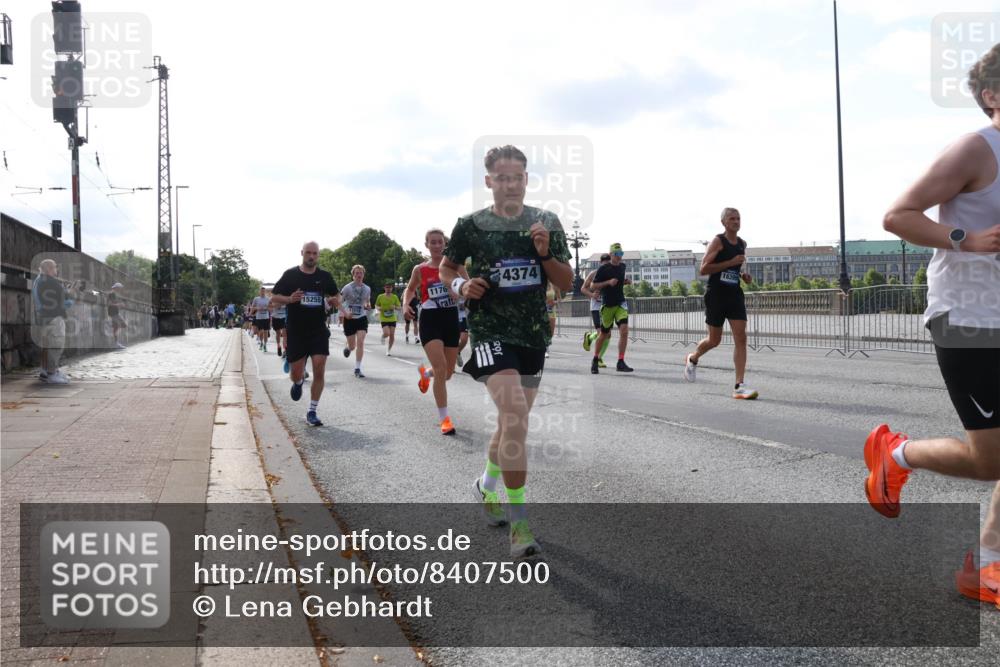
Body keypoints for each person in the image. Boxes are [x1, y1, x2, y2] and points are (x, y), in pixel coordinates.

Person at [866, 44, 1000, 606]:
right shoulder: (976, 149)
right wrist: (964, 238)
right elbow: (898, 214)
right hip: (969, 319)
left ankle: (988, 565)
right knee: (992, 459)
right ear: (993, 96)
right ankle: (894, 454)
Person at [440, 144, 573, 558]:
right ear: (489, 181)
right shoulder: (471, 225)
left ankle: (486, 484)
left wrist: (544, 253)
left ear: (526, 180)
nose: (510, 184)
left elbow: (566, 283)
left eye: (517, 177)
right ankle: (520, 525)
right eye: (502, 177)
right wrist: (461, 286)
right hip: (489, 330)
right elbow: (447, 268)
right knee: (514, 414)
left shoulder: (546, 222)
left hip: (532, 334)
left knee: (511, 423)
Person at [682, 208, 757, 399]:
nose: (736, 221)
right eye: (732, 218)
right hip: (716, 294)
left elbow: (734, 270)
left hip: (734, 294)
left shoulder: (742, 243)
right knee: (714, 340)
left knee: (741, 337)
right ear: (723, 222)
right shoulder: (718, 241)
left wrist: (743, 276)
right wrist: (731, 261)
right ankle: (693, 358)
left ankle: (739, 385)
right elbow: (704, 269)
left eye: (738, 218)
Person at [403, 229, 469, 435]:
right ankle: (445, 419)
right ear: (427, 245)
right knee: (441, 368)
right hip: (430, 319)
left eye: (440, 242)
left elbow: (469, 287)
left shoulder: (457, 266)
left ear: (445, 244)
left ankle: (426, 374)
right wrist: (406, 304)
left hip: (450, 318)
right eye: (433, 242)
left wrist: (459, 290)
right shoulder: (420, 269)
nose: (437, 245)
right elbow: (411, 289)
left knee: (448, 373)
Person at [271, 241, 340, 426]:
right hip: (296, 331)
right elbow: (274, 297)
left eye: (315, 253)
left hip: (318, 330)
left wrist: (334, 301)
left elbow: (337, 294)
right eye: (308, 253)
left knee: (319, 366)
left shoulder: (324, 276)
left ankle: (312, 411)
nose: (311, 256)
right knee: (296, 373)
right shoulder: (291, 275)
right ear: (302, 253)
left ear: (318, 255)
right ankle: (298, 381)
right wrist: (289, 299)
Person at [589, 243, 634, 373]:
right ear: (611, 255)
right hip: (608, 305)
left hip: (620, 302)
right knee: (604, 334)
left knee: (624, 330)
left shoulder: (622, 267)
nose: (620, 257)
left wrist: (625, 282)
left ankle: (620, 361)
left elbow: (619, 282)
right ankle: (595, 359)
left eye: (621, 254)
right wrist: (608, 282)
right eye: (617, 254)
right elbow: (592, 286)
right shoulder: (603, 269)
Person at [34, 259, 74, 385]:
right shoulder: (50, 281)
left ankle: (46, 372)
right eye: (55, 268)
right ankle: (51, 373)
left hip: (44, 317)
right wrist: (71, 293)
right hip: (54, 317)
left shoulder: (38, 280)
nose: (56, 270)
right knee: (56, 345)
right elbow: (64, 299)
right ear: (49, 269)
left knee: (47, 346)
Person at [340, 265, 372, 378]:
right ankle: (348, 348)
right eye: (356, 273)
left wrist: (368, 306)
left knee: (361, 342)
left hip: (361, 318)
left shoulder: (367, 288)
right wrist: (345, 313)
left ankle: (357, 368)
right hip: (349, 319)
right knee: (353, 346)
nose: (359, 275)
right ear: (353, 275)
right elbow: (339, 302)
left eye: (361, 273)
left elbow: (367, 302)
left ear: (363, 275)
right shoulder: (347, 288)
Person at [581, 253, 611, 367]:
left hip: (607, 306)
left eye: (608, 264)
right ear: (600, 263)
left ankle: (599, 358)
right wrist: (592, 295)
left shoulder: (611, 274)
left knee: (608, 335)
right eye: (605, 264)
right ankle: (590, 338)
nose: (606, 267)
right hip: (596, 307)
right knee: (601, 333)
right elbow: (582, 289)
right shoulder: (593, 274)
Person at [375, 282, 401, 356]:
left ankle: (388, 350)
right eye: (387, 287)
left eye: (390, 287)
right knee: (387, 333)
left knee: (392, 335)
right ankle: (383, 336)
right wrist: (379, 308)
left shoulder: (394, 297)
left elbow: (399, 307)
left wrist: (395, 307)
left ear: (392, 288)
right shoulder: (380, 296)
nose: (388, 289)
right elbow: (376, 305)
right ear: (384, 288)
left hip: (392, 318)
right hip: (384, 318)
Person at [107, 282, 127, 349]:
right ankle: (116, 343)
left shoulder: (115, 294)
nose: (120, 290)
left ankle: (116, 343)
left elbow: (114, 304)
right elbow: (109, 304)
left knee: (117, 327)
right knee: (122, 325)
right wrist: (119, 305)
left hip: (115, 313)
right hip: (113, 313)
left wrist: (120, 305)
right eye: (119, 288)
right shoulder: (111, 294)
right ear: (116, 288)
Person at [544, 283, 560, 358]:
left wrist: (555, 302)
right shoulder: (541, 282)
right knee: (543, 330)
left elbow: (559, 299)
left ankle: (546, 346)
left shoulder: (554, 285)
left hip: (551, 312)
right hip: (542, 311)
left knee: (551, 332)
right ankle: (545, 349)